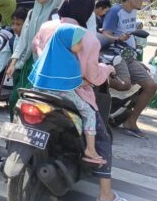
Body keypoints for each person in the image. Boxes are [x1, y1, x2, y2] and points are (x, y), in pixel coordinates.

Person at [32, 0, 122, 201]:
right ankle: (105, 194)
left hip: (40, 86)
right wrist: (107, 69)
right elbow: (92, 76)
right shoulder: (85, 36)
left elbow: (37, 49)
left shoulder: (47, 27)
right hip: (73, 91)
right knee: (102, 137)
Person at [30, 23, 105, 164]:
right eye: (78, 41)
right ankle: (90, 149)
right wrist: (88, 83)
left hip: (38, 92)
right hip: (62, 94)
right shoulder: (69, 60)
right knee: (88, 112)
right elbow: (74, 83)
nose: (81, 44)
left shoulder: (47, 55)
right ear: (67, 41)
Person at [5, 0, 65, 120]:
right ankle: (15, 128)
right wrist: (13, 62)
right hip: (29, 63)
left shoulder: (58, 14)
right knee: (15, 99)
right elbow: (23, 40)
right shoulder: (32, 13)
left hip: (46, 65)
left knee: (33, 102)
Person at [101, 0, 156, 138]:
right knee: (125, 85)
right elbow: (105, 34)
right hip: (116, 55)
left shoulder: (132, 12)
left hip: (129, 55)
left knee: (151, 86)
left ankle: (130, 122)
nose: (142, 1)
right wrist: (117, 38)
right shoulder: (115, 11)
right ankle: (97, 80)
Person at [0, 7, 27, 87]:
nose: (14, 27)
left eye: (18, 24)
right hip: (15, 75)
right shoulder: (13, 41)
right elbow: (3, 56)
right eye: (13, 23)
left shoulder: (33, 41)